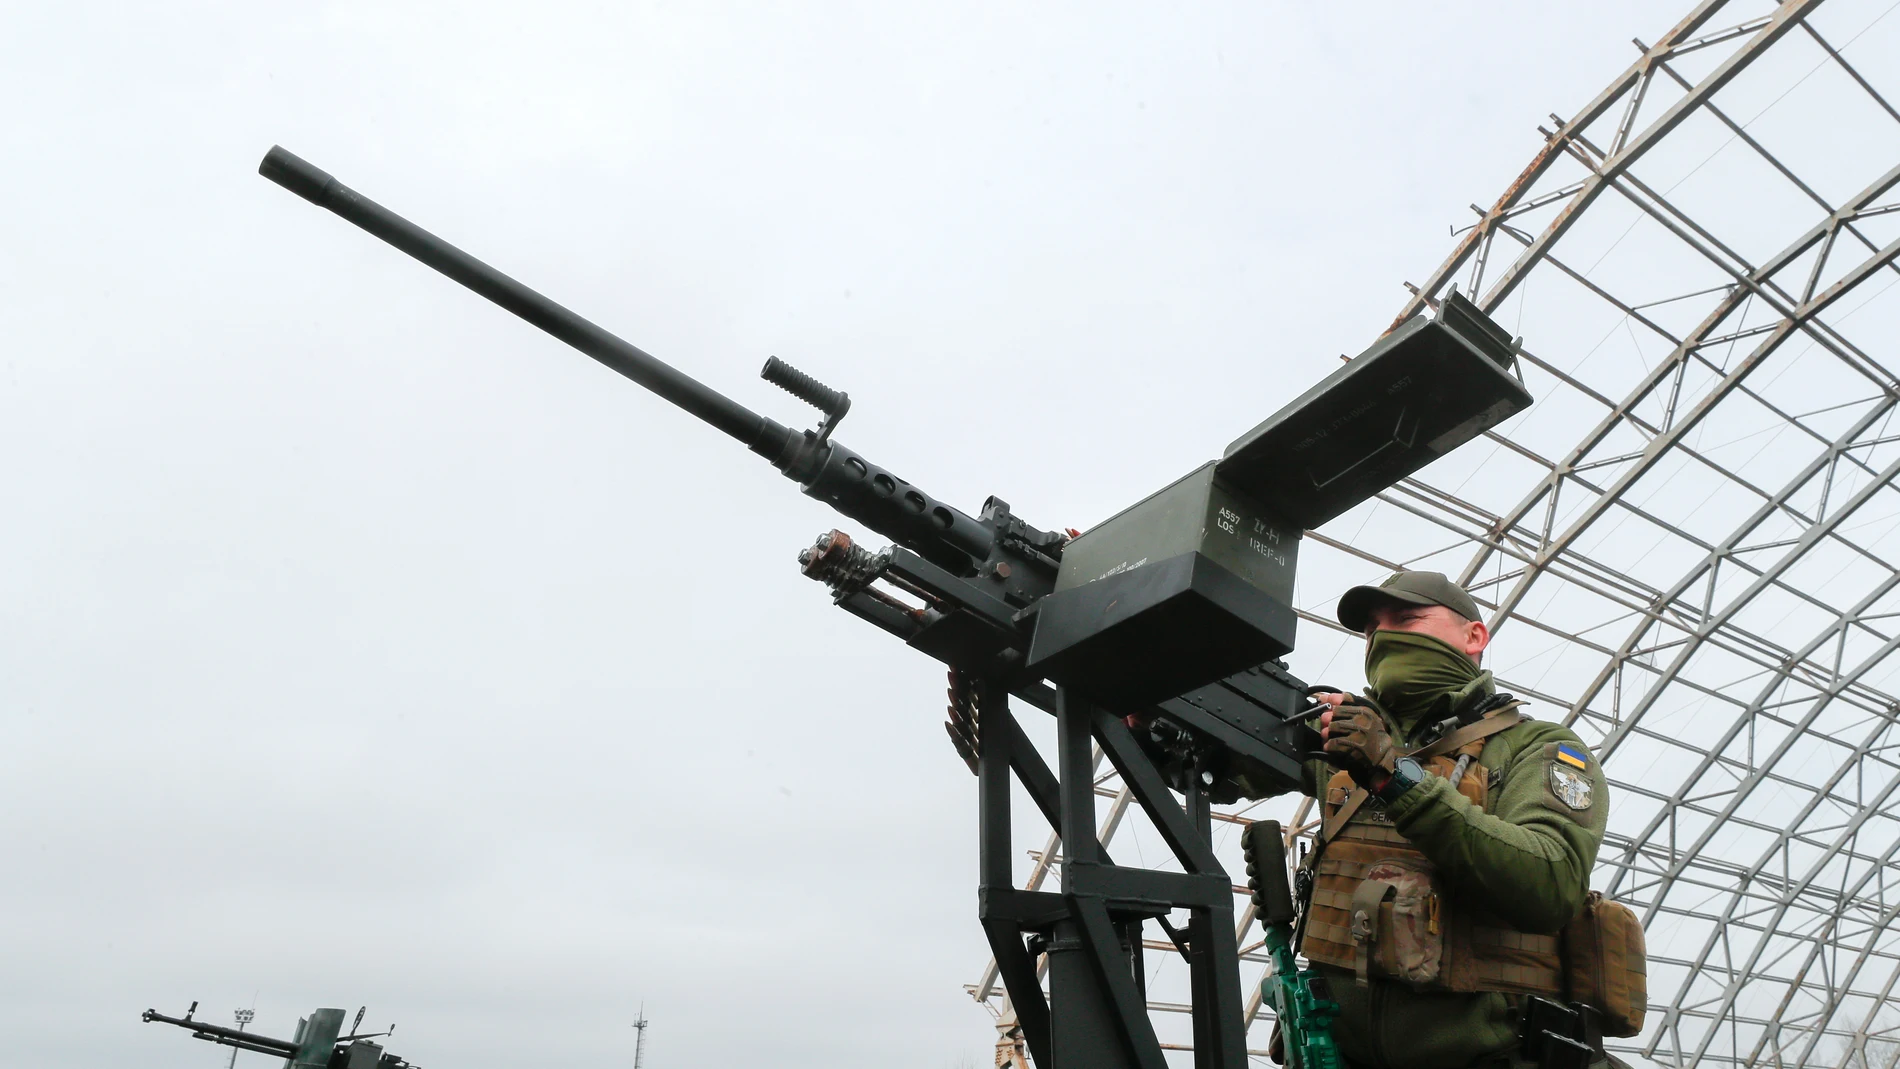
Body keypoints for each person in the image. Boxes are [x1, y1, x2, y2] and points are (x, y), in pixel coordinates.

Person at [1232, 570, 1611, 1069]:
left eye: (1407, 619)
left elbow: (1550, 881)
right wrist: (1153, 713)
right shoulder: (1342, 742)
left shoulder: (1537, 747)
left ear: (1474, 636)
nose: (1384, 637)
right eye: (1372, 630)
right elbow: (1229, 759)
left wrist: (1392, 774)